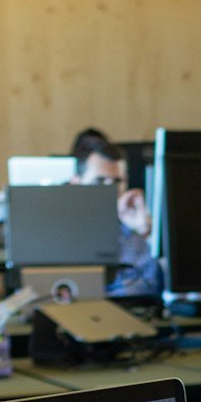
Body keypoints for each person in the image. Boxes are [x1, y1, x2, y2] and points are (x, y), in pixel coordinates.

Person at [70, 128, 164, 298]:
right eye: (99, 180)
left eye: (117, 181)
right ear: (76, 182)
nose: (110, 189)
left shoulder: (137, 231)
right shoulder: (60, 233)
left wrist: (147, 233)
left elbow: (166, 288)